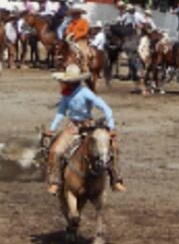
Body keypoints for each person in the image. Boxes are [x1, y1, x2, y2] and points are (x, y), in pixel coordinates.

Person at [45, 65, 125, 195]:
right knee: (55, 150)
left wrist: (111, 127)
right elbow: (61, 112)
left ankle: (116, 179)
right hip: (73, 127)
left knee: (113, 147)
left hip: (89, 126)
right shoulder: (66, 94)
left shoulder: (86, 92)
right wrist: (52, 128)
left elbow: (106, 108)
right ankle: (55, 181)